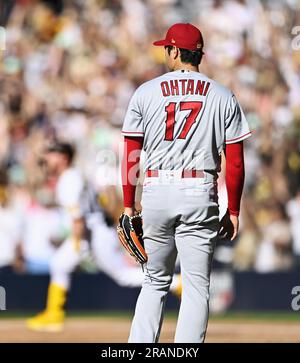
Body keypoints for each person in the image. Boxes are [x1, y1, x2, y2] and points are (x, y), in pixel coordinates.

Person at [121, 23, 251, 343]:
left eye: (167, 47)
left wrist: (127, 204)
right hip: (198, 189)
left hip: (156, 190)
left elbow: (131, 155)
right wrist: (232, 209)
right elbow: (235, 162)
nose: (165, 52)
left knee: (154, 281)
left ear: (175, 51)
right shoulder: (222, 94)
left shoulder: (146, 92)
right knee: (196, 287)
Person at [26, 142, 144, 332]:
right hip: (93, 231)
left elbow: (78, 219)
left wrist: (75, 244)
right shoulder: (72, 176)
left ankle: (176, 283)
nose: (46, 159)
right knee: (59, 263)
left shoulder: (69, 180)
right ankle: (54, 314)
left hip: (93, 233)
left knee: (123, 275)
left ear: (63, 157)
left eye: (50, 154)